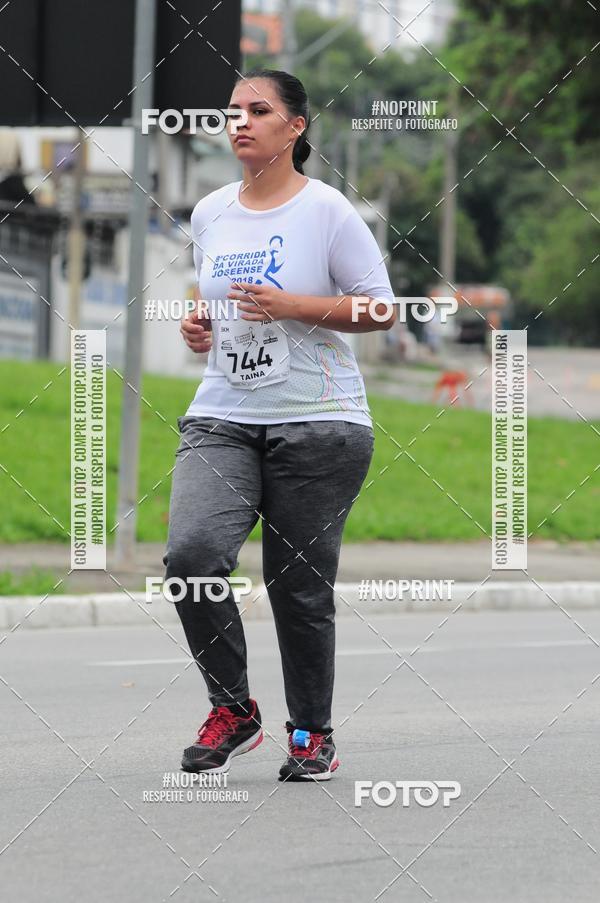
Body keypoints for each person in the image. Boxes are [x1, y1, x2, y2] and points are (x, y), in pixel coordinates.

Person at [163, 67, 396, 782]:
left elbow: (382, 308)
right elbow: (215, 304)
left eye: (257, 111)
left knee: (297, 585)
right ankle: (233, 708)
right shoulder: (210, 212)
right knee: (191, 556)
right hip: (223, 414)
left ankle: (311, 734)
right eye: (232, 111)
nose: (239, 122)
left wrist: (294, 304)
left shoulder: (327, 211)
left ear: (294, 128)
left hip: (319, 421)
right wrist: (198, 325)